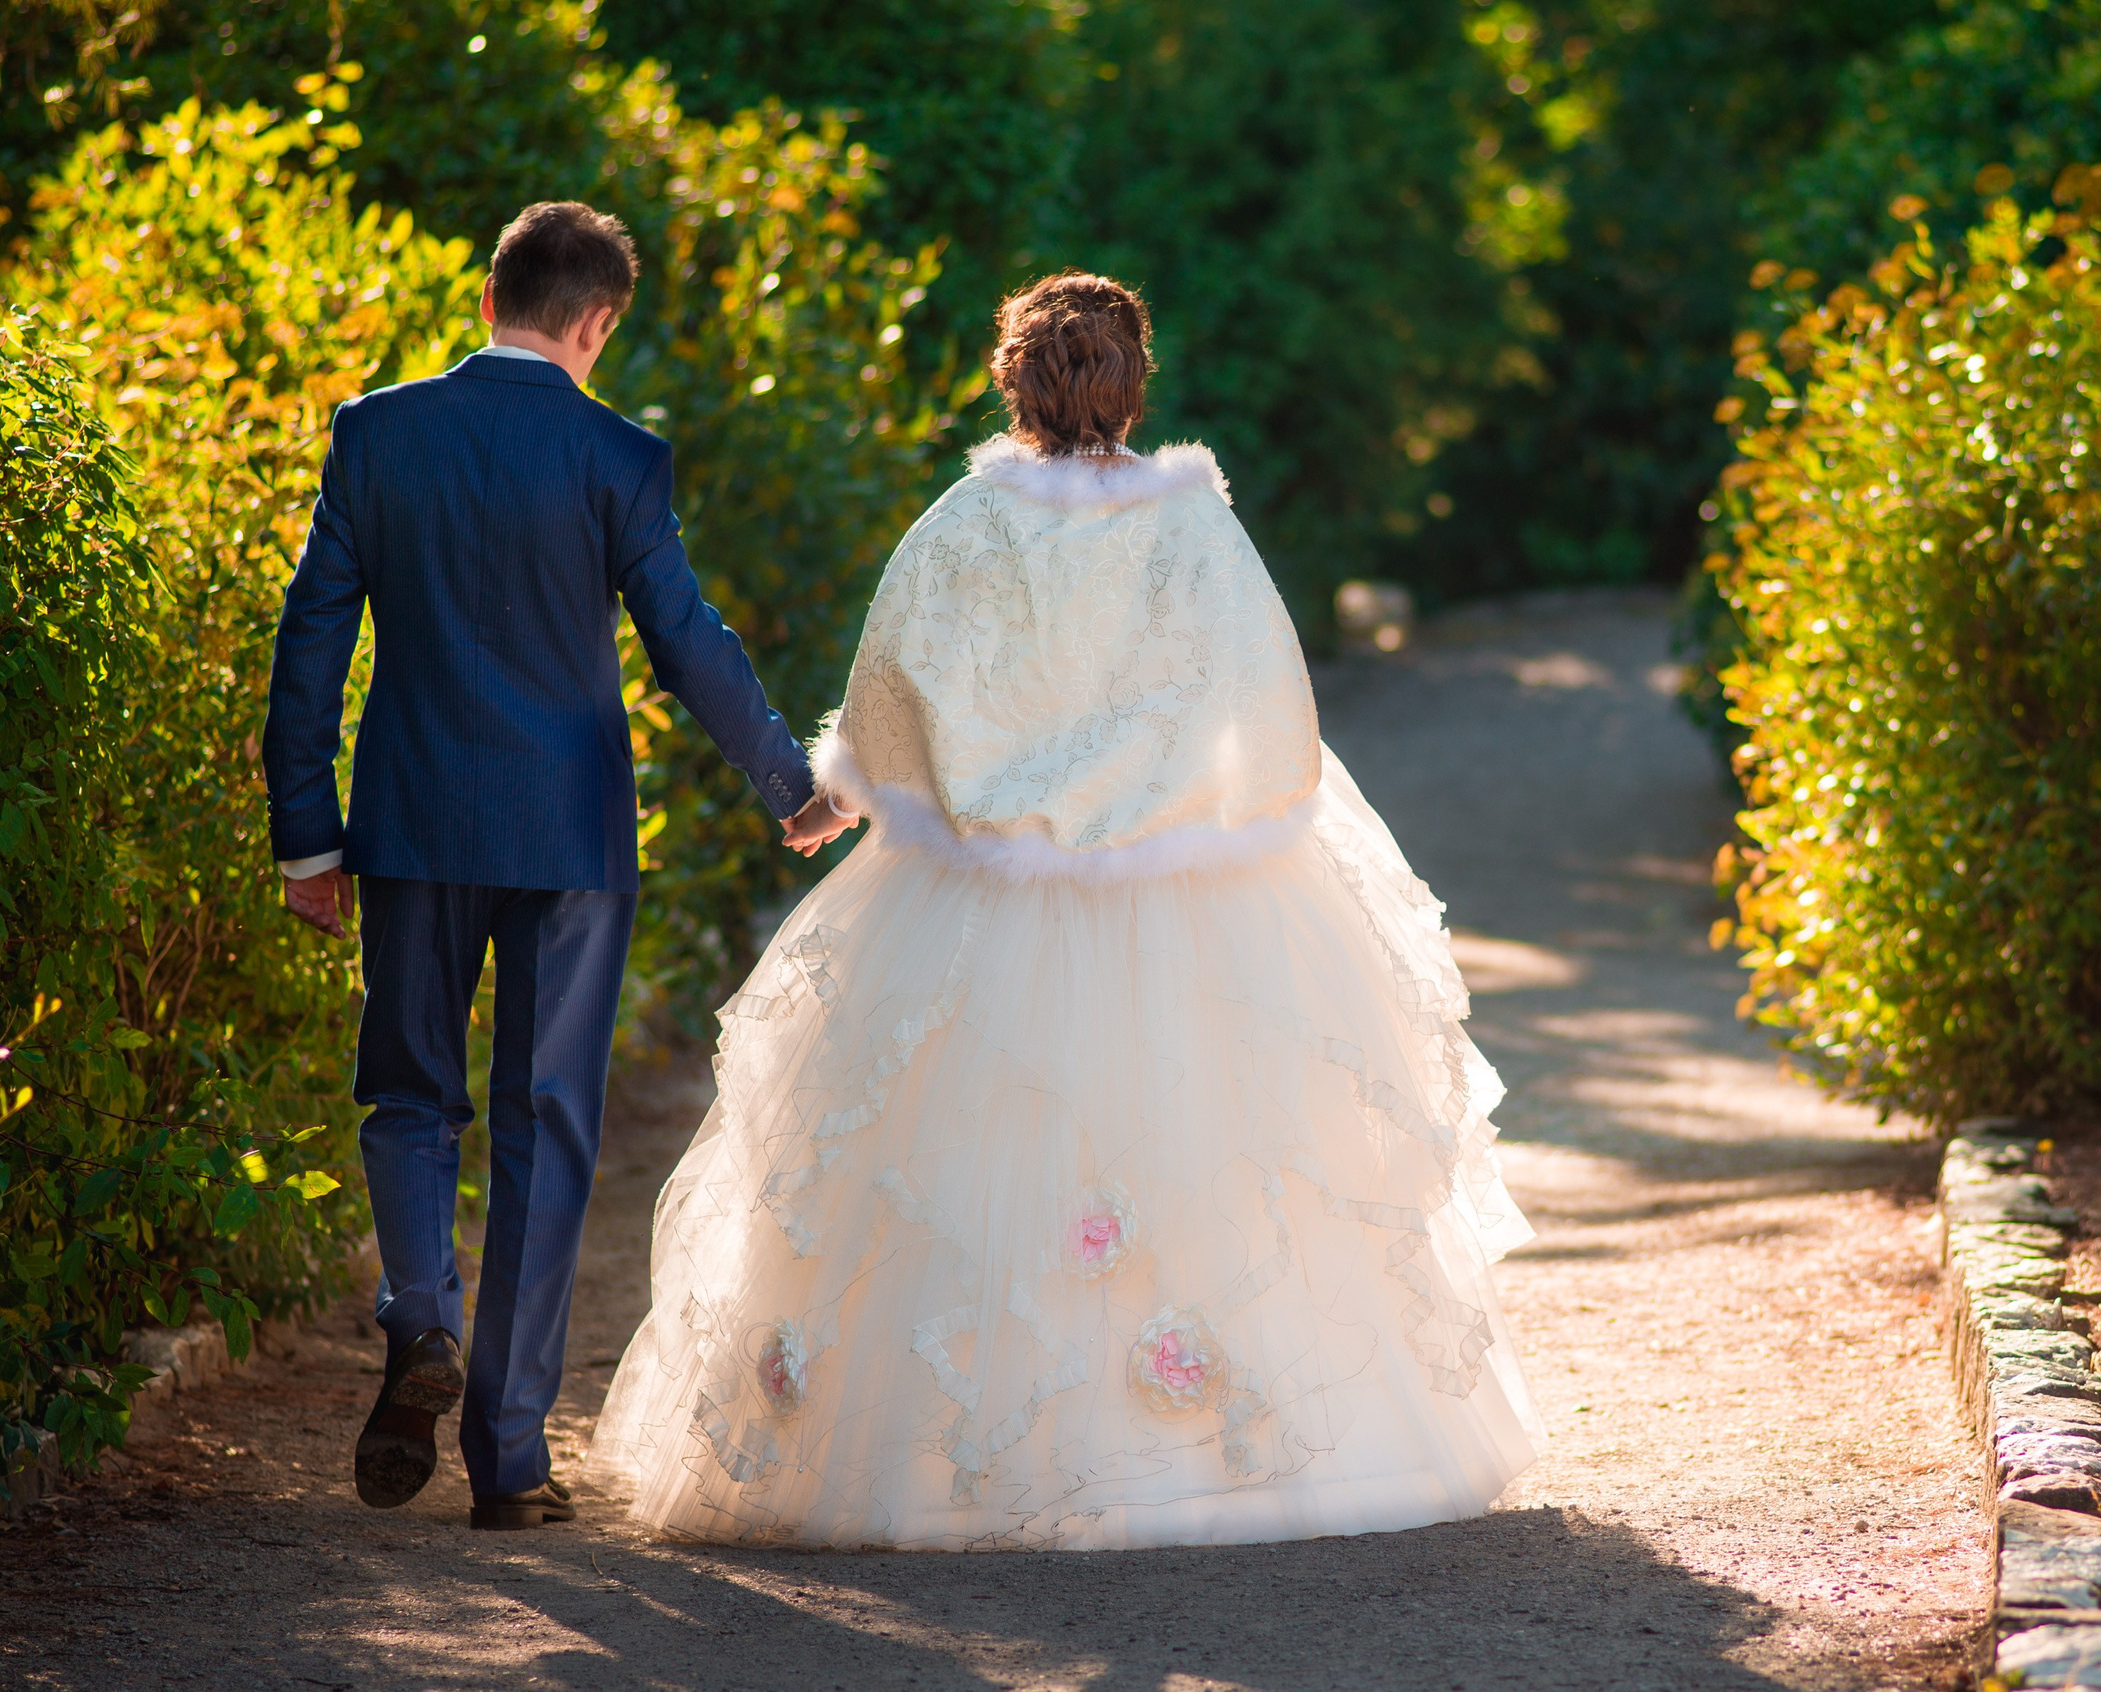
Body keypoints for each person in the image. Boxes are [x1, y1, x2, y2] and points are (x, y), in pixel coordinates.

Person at [586, 273, 1538, 1548]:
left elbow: (896, 684)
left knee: (944, 1160)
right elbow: (1259, 697)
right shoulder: (1191, 522)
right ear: (1132, 384)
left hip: (987, 895)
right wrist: (1201, 800)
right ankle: (1226, 1448)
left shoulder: (966, 522)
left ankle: (941, 1468)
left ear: (1015, 383)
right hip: (1180, 889)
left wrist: (837, 798)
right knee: (1214, 1147)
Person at [261, 202, 855, 1531]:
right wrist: (791, 788)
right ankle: (512, 1457)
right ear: (595, 324)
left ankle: (421, 1316)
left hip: (412, 823)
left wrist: (309, 835)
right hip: (571, 838)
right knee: (544, 1120)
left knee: (408, 1093)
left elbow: (312, 644)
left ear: (489, 300)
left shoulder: (376, 434)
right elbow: (687, 641)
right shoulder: (617, 456)